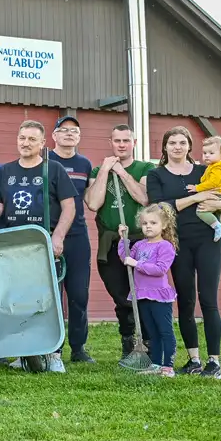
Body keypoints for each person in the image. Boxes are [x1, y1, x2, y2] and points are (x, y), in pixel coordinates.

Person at [0, 120, 76, 373]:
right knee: (19, 298)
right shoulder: (6, 171)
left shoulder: (54, 169)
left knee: (48, 297)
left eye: (31, 139)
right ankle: (23, 350)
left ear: (42, 143)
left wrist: (58, 237)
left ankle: (53, 353)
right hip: (16, 244)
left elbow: (69, 207)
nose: (25, 143)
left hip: (42, 242)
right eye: (22, 138)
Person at [146, 126, 221, 379]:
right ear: (164, 147)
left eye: (182, 142)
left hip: (208, 240)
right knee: (185, 301)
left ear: (189, 146)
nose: (177, 147)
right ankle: (193, 359)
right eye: (172, 142)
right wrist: (198, 197)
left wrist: (219, 203)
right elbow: (160, 207)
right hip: (177, 243)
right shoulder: (157, 175)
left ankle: (214, 362)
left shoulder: (204, 170)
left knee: (208, 299)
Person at [84, 125, 153, 362]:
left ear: (133, 142)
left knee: (142, 293)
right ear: (110, 142)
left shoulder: (145, 168)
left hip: (140, 242)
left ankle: (147, 342)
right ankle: (128, 342)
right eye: (117, 141)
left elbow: (144, 197)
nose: (121, 145)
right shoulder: (97, 169)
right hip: (111, 242)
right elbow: (93, 203)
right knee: (120, 294)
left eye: (126, 140)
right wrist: (105, 169)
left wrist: (122, 173)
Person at [48, 116, 95, 364]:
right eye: (63, 130)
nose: (69, 134)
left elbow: (90, 199)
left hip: (77, 235)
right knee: (52, 294)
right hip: (49, 232)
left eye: (74, 131)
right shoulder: (45, 160)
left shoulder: (84, 164)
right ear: (54, 135)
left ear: (79, 137)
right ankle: (53, 346)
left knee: (79, 293)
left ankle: (78, 348)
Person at [117, 204, 179, 377]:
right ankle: (156, 364)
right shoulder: (139, 245)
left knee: (164, 331)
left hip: (159, 296)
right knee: (152, 332)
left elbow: (160, 269)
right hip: (142, 294)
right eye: (145, 223)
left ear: (164, 225)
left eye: (153, 222)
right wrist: (123, 239)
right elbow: (125, 257)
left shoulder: (165, 246)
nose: (148, 226)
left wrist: (137, 264)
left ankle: (168, 366)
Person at [189, 136, 221, 243]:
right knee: (217, 214)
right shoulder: (212, 166)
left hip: (219, 193)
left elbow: (213, 182)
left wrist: (197, 187)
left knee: (201, 211)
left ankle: (218, 228)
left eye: (211, 153)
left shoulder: (218, 167)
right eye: (205, 153)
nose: (207, 156)